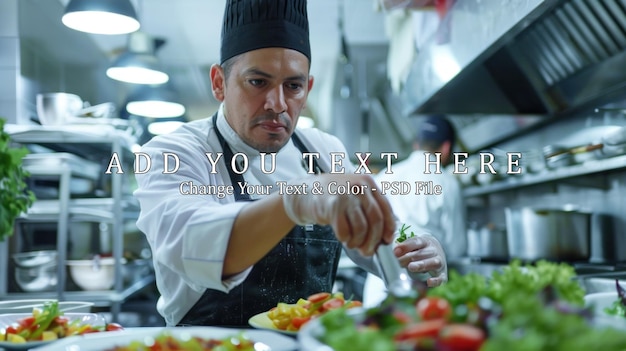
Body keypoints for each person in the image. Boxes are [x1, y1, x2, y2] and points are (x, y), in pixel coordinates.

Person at [133, 0, 447, 327]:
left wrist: (418, 251)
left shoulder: (325, 151)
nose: (278, 104)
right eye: (258, 82)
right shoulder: (173, 153)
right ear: (219, 83)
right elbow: (192, 245)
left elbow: (380, 235)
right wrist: (297, 201)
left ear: (307, 88)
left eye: (293, 86)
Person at [363, 115, 465, 307]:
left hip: (379, 284)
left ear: (417, 145)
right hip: (423, 290)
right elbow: (455, 247)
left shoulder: (385, 176)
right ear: (445, 148)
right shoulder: (447, 182)